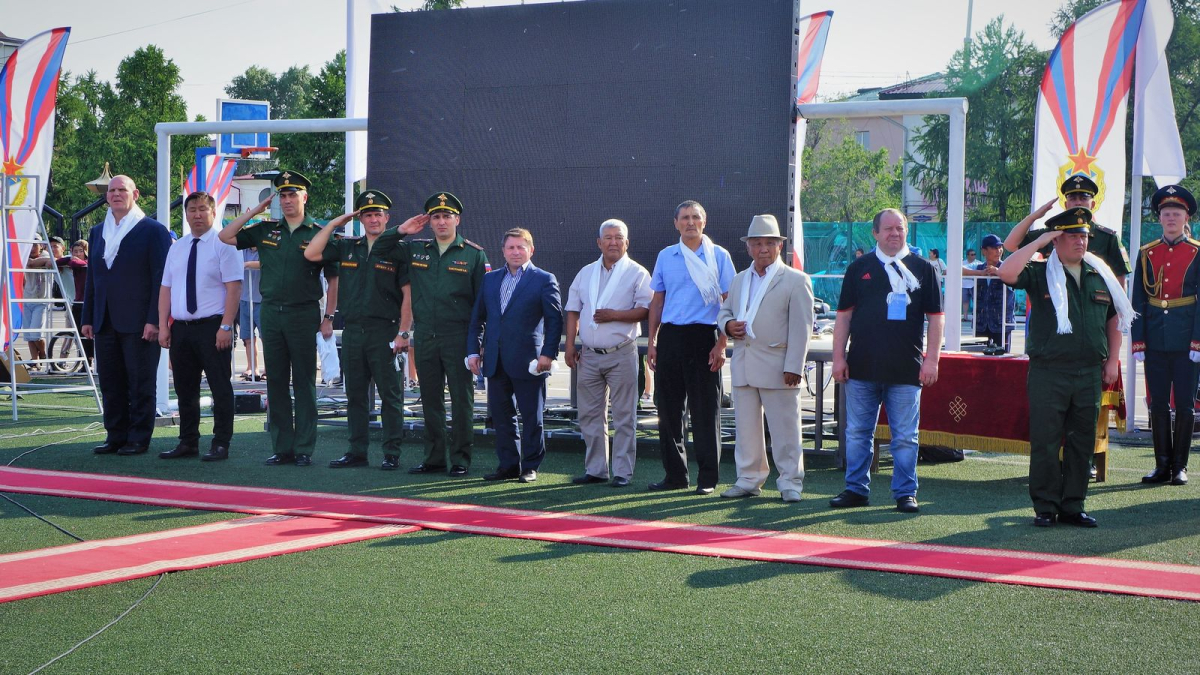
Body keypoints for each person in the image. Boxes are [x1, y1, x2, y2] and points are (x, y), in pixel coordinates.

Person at [999, 207, 1130, 527]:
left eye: (1084, 236)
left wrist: (1113, 358)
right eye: (1072, 236)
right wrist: (1039, 239)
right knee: (1045, 439)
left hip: (1088, 371)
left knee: (1082, 440)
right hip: (1049, 371)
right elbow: (1006, 271)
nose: (1080, 242)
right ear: (1056, 240)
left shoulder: (1100, 274)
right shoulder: (1040, 271)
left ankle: (1073, 504)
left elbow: (1114, 318)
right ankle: (1045, 506)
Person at [219, 170, 339, 467]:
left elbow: (333, 280)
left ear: (304, 197)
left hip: (302, 312)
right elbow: (226, 235)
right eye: (283, 195)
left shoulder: (318, 233)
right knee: (275, 382)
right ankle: (282, 446)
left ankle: (304, 448)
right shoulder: (265, 229)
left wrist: (329, 317)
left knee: (304, 382)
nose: (287, 200)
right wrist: (255, 211)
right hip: (271, 312)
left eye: (292, 194)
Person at [830, 208, 943, 513]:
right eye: (889, 229)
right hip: (862, 367)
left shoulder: (924, 269)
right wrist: (838, 358)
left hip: (906, 368)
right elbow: (843, 317)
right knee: (857, 433)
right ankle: (855, 489)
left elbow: (936, 319)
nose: (895, 233)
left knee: (905, 438)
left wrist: (932, 360)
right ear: (875, 233)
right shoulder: (859, 268)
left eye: (900, 228)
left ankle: (905, 492)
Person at [305, 190, 423, 470]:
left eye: (377, 214)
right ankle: (357, 451)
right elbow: (312, 252)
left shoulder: (398, 250)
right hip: (354, 331)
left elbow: (408, 295)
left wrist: (404, 332)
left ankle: (391, 452)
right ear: (360, 218)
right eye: (367, 214)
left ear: (387, 218)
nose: (372, 219)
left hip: (385, 331)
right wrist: (334, 224)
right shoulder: (348, 247)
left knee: (390, 396)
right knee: (355, 395)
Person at [716, 215, 814, 502]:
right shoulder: (739, 280)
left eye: (769, 243)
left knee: (786, 429)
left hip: (779, 366)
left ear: (779, 246)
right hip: (744, 365)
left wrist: (794, 366)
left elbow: (802, 328)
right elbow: (725, 312)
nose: (763, 249)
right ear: (748, 248)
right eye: (757, 243)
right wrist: (727, 325)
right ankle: (748, 479)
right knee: (746, 430)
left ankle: (790, 482)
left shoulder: (796, 280)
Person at [394, 192, 489, 477]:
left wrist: (478, 344)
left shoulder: (473, 254)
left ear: (457, 219)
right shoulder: (416, 249)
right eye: (435, 216)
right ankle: (433, 458)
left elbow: (482, 303)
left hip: (458, 336)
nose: (442, 221)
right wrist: (403, 229)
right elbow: (383, 247)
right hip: (425, 335)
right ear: (429, 222)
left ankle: (460, 458)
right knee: (430, 398)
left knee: (462, 400)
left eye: (447, 216)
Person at [646, 200, 735, 494]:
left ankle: (708, 479)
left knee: (705, 411)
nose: (690, 222)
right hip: (671, 336)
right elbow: (657, 301)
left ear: (704, 221)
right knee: (668, 410)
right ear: (676, 223)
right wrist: (652, 342)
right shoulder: (666, 256)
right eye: (684, 217)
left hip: (705, 337)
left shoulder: (719, 256)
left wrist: (721, 344)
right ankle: (675, 476)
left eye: (695, 217)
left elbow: (729, 301)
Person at [82, 175, 172, 456]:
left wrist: (155, 319)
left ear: (136, 194)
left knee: (140, 381)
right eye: (112, 190)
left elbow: (161, 278)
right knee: (110, 381)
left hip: (139, 321)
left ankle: (138, 438)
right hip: (105, 319)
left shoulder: (153, 230)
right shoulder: (98, 231)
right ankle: (116, 435)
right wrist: (87, 316)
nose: (116, 194)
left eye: (122, 190)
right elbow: (93, 279)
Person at [468, 227, 563, 483]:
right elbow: (477, 319)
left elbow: (554, 321)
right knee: (501, 416)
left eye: (521, 247)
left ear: (531, 250)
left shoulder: (544, 279)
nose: (516, 252)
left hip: (530, 362)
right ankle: (508, 465)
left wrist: (549, 355)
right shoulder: (490, 279)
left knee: (532, 416)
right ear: (503, 251)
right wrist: (472, 352)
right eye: (511, 247)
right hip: (495, 361)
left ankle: (530, 466)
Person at [564, 219, 652, 488]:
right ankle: (596, 469)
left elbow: (646, 310)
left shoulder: (638, 273)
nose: (613, 242)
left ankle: (623, 472)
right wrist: (570, 345)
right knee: (589, 414)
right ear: (599, 242)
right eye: (608, 237)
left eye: (619, 237)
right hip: (589, 354)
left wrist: (615, 315)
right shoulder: (586, 272)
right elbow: (573, 310)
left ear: (627, 243)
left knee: (625, 414)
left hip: (621, 352)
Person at [156, 191, 242, 462]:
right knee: (184, 388)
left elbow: (234, 288)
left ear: (213, 212)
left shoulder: (224, 244)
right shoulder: (177, 247)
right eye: (192, 209)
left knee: (219, 386)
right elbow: (166, 289)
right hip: (181, 327)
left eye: (202, 209)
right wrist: (163, 325)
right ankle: (188, 441)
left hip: (213, 326)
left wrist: (226, 327)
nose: (196, 215)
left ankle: (221, 443)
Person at [1131, 185, 1199, 486]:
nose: (1171, 217)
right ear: (1159, 218)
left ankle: (1180, 466)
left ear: (1186, 218)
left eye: (1177, 213)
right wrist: (1138, 339)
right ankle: (1161, 464)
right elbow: (1138, 299)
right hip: (1156, 339)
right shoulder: (1147, 253)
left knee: (1184, 404)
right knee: (1158, 403)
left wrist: (1198, 340)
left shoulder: (1197, 252)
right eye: (1166, 213)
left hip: (1187, 341)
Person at [1003, 174, 1131, 285]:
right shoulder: (1052, 233)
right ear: (1066, 205)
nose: (1078, 203)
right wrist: (1033, 217)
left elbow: (1119, 279)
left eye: (1083, 198)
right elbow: (1010, 245)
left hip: (1095, 308)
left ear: (1093, 205)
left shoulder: (1108, 238)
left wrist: (1118, 311)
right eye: (1073, 198)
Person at [964, 234, 1015, 351]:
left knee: (1002, 361)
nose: (998, 251)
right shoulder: (977, 266)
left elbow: (1017, 275)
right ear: (984, 251)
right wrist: (980, 273)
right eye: (994, 248)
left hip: (1002, 324)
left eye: (1000, 247)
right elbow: (949, 270)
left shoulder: (1008, 266)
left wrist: (998, 272)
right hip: (981, 324)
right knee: (979, 360)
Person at [56, 240, 93, 363]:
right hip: (77, 303)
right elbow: (58, 262)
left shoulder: (87, 263)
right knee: (79, 334)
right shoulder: (73, 261)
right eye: (75, 251)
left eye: (80, 251)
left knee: (89, 334)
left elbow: (77, 263)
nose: (77, 254)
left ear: (86, 252)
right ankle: (84, 362)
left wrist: (70, 259)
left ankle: (90, 359)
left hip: (88, 303)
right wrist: (68, 258)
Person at [22, 237, 53, 371]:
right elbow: (28, 262)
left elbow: (36, 262)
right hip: (26, 298)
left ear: (41, 245)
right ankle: (35, 362)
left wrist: (33, 262)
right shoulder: (23, 256)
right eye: (30, 244)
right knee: (29, 335)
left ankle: (43, 353)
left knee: (36, 334)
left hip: (41, 300)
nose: (33, 247)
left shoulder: (45, 254)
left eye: (35, 244)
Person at [238, 247, 264, 381]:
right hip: (244, 299)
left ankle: (270, 369)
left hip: (261, 299)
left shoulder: (264, 247)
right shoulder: (242, 250)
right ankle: (252, 368)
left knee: (267, 337)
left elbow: (267, 262)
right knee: (247, 337)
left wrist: (247, 264)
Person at [961, 248, 981, 316]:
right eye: (972, 255)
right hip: (964, 285)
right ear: (967, 255)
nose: (973, 256)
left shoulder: (978, 263)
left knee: (976, 300)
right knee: (965, 301)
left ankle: (975, 316)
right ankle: (965, 316)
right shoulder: (962, 263)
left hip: (974, 285)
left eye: (974, 254)